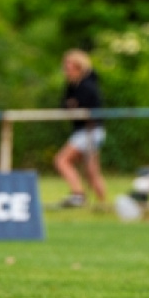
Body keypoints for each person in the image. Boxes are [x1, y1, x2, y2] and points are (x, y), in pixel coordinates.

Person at [54, 49, 107, 208]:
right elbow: (65, 105)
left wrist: (73, 106)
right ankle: (103, 203)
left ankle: (78, 194)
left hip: (90, 131)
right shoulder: (72, 85)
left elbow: (83, 108)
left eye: (69, 66)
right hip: (85, 132)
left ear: (78, 66)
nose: (66, 69)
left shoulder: (87, 86)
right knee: (92, 171)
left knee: (62, 160)